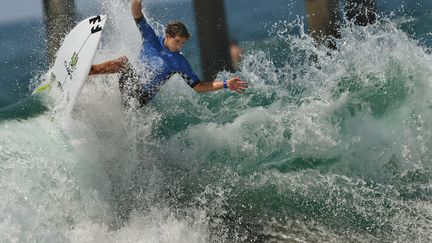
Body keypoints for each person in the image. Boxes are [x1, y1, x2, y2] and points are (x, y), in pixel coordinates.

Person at [89, 0, 248, 106]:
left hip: (139, 99)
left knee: (123, 62)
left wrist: (226, 84)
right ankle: (88, 81)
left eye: (183, 43)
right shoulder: (151, 39)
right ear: (167, 36)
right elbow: (137, 14)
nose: (179, 47)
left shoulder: (179, 62)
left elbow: (198, 86)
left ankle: (90, 70)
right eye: (177, 41)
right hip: (130, 87)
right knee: (122, 65)